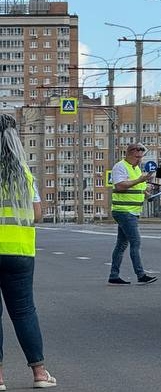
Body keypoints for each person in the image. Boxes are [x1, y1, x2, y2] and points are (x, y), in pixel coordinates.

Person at [0, 114, 56, 388]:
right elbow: (36, 214)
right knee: (24, 311)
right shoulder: (24, 173)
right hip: (20, 252)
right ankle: (40, 373)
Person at [109, 144, 158, 285]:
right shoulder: (120, 167)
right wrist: (140, 180)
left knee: (121, 244)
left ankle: (114, 275)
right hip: (124, 211)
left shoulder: (136, 169)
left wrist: (147, 193)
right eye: (137, 157)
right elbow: (120, 186)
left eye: (141, 157)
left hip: (132, 211)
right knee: (135, 242)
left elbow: (136, 187)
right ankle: (140, 275)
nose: (139, 160)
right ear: (129, 154)